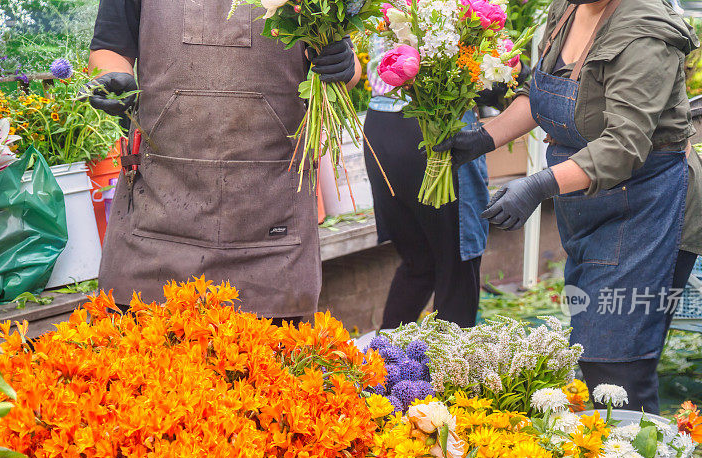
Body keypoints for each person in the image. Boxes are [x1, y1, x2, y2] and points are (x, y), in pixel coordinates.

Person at [436, 0, 702, 413]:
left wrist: (537, 186)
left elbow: (623, 145)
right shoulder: (565, 10)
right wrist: (483, 137)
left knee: (618, 366)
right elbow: (543, 95)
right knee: (592, 352)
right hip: (590, 207)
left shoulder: (647, 29)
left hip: (649, 208)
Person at [87, 0, 360, 321]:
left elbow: (347, 68)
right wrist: (111, 78)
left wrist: (343, 63)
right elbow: (108, 49)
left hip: (273, 227)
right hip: (155, 220)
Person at [362, 35, 493, 329]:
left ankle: (384, 365)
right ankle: (447, 374)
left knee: (418, 264)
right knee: (458, 266)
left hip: (381, 128)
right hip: (435, 126)